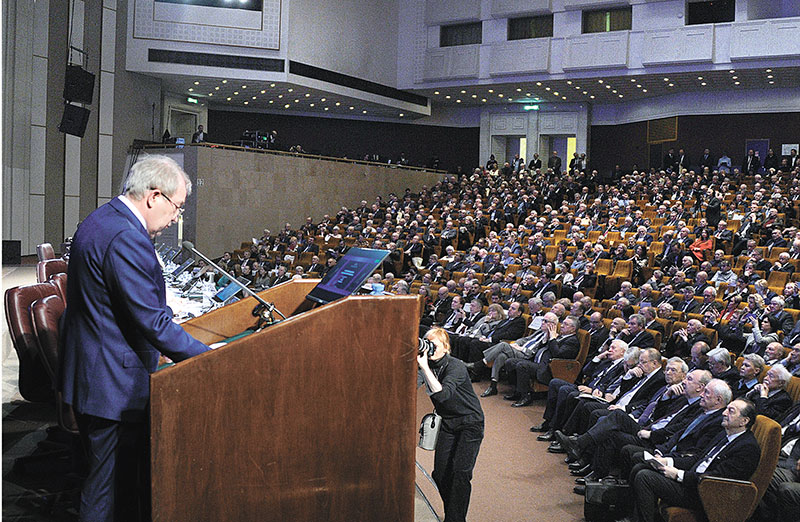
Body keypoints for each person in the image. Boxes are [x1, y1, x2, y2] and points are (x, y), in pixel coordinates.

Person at [60, 155, 211, 521]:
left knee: (111, 484)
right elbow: (153, 323)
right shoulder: (126, 237)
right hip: (110, 383)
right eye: (177, 207)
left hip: (97, 373)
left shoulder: (104, 218)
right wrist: (210, 359)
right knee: (105, 489)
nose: (177, 217)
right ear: (154, 196)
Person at [417, 327, 484, 522]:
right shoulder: (426, 364)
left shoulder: (456, 366)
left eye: (434, 346)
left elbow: (444, 395)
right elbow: (410, 386)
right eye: (427, 344)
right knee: (439, 474)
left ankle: (455, 519)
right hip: (448, 423)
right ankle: (455, 514)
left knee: (460, 474)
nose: (430, 349)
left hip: (470, 423)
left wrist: (425, 368)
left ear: (446, 348)